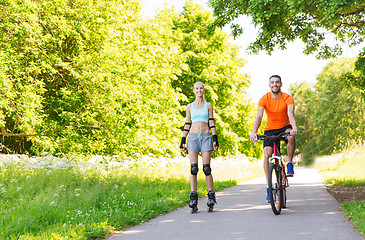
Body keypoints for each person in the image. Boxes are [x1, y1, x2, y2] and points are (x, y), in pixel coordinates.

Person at [250, 75, 298, 203]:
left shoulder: (287, 98)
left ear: (281, 84)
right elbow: (259, 116)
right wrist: (254, 132)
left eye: (277, 82)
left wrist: (294, 127)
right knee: (267, 155)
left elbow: (290, 114)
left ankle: (289, 163)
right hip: (270, 129)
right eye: (272, 82)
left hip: (284, 127)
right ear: (269, 85)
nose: (275, 84)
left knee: (291, 137)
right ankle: (268, 187)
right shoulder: (264, 99)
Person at [179, 82, 219, 212]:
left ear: (204, 90)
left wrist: (215, 138)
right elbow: (187, 123)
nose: (199, 90)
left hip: (206, 136)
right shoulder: (189, 106)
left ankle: (211, 196)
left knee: (206, 169)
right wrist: (183, 140)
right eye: (197, 88)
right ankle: (193, 198)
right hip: (193, 138)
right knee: (194, 169)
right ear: (194, 90)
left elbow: (211, 121)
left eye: (201, 88)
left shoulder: (208, 105)